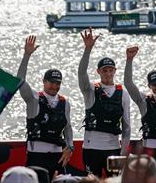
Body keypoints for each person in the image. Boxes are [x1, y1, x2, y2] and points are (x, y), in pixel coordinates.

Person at [17, 35, 74, 180]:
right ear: (44, 82)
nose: (54, 86)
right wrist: (26, 55)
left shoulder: (64, 102)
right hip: (36, 157)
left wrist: (70, 146)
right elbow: (19, 81)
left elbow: (68, 127)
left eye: (57, 83)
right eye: (51, 82)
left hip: (57, 156)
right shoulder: (34, 99)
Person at [78, 28, 131, 177]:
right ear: (98, 72)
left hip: (113, 149)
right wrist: (87, 49)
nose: (108, 73)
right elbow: (81, 73)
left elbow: (126, 126)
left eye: (110, 70)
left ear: (115, 71)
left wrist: (122, 152)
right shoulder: (90, 91)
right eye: (104, 70)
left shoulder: (123, 93)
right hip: (91, 149)